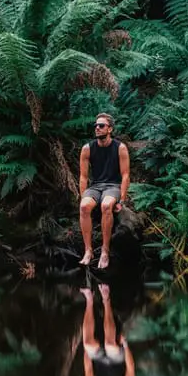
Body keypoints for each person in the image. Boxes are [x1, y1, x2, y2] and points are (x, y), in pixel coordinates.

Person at [79, 113, 130, 269]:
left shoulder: (120, 148)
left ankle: (105, 251)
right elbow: (83, 176)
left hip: (112, 186)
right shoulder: (87, 149)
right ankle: (88, 251)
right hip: (95, 187)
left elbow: (125, 175)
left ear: (110, 129)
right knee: (84, 207)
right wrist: (83, 196)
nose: (97, 128)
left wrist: (122, 199)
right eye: (96, 125)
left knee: (106, 206)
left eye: (101, 126)